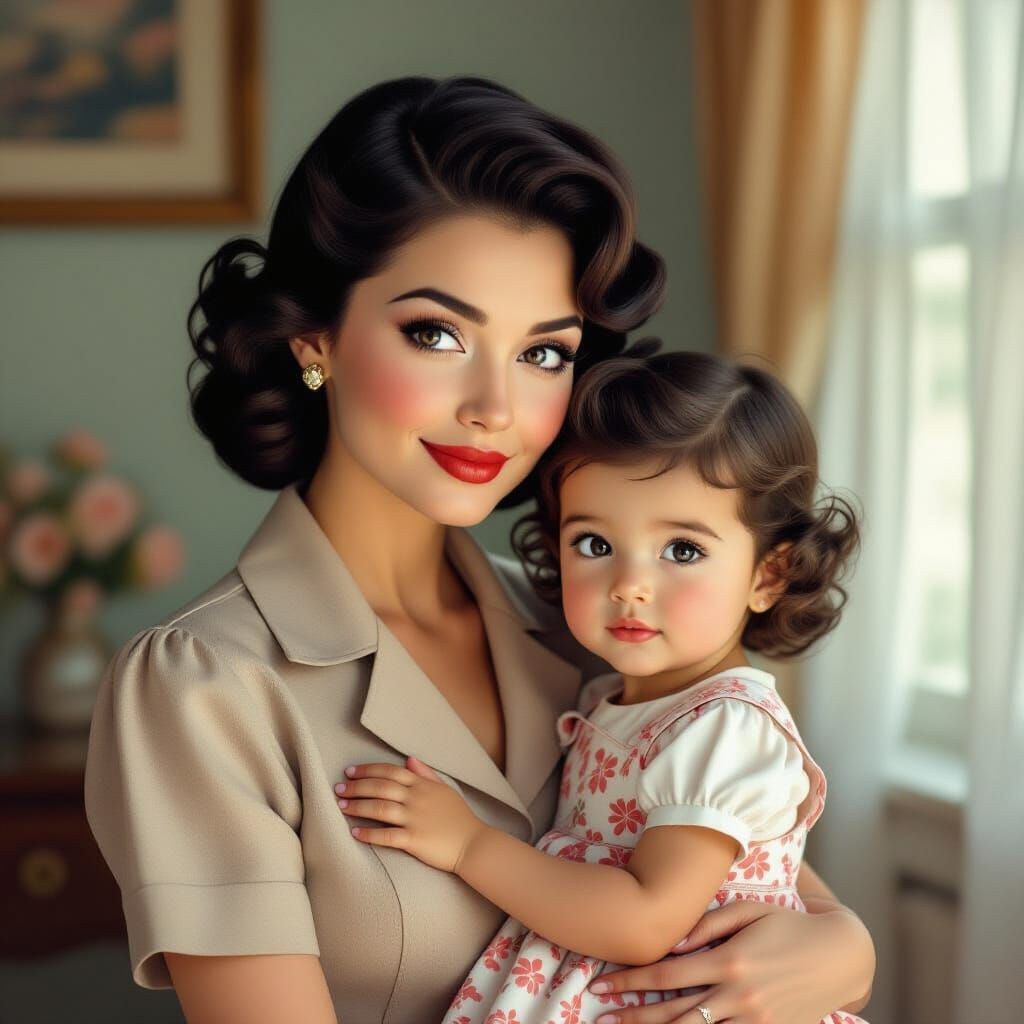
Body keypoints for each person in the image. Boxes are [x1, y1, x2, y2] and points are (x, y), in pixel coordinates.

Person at [83, 76, 875, 1024]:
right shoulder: (205, 685)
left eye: (543, 353)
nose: (496, 407)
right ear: (315, 340)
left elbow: (777, 887)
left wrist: (845, 951)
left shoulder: (594, 626)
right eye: (437, 333)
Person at [337, 344, 869, 1024]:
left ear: (768, 575)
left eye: (682, 550)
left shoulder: (726, 727)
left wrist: (470, 845)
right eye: (594, 544)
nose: (629, 585)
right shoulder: (606, 699)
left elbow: (645, 921)